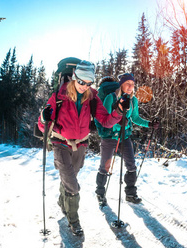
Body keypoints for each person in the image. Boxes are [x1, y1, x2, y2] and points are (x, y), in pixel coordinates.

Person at [38, 60, 128, 236]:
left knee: (70, 178)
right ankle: (74, 221)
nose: (84, 86)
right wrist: (43, 118)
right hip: (60, 143)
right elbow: (44, 127)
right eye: (81, 82)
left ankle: (62, 200)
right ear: (74, 77)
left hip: (80, 144)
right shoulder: (59, 96)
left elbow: (106, 121)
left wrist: (118, 110)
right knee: (73, 185)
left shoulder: (93, 97)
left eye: (88, 83)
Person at [95, 73, 159, 206]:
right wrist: (118, 121)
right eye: (127, 83)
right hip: (110, 137)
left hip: (125, 136)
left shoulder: (133, 100)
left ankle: (130, 193)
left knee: (131, 165)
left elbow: (135, 118)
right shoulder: (110, 98)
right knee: (105, 167)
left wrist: (149, 124)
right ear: (121, 84)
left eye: (133, 84)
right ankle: (100, 193)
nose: (130, 86)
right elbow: (105, 120)